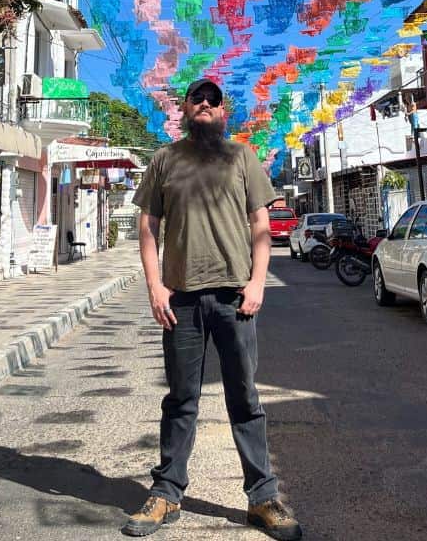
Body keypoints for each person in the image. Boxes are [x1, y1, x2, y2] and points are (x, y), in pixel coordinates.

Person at [123, 78, 302, 541]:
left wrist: (258, 281)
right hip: (180, 299)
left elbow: (260, 222)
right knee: (180, 399)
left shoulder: (241, 157)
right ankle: (166, 493)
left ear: (224, 110)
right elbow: (148, 227)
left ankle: (262, 498)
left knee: (245, 399)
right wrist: (155, 286)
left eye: (213, 100)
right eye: (196, 98)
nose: (204, 104)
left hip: (234, 298)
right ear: (183, 107)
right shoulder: (165, 159)